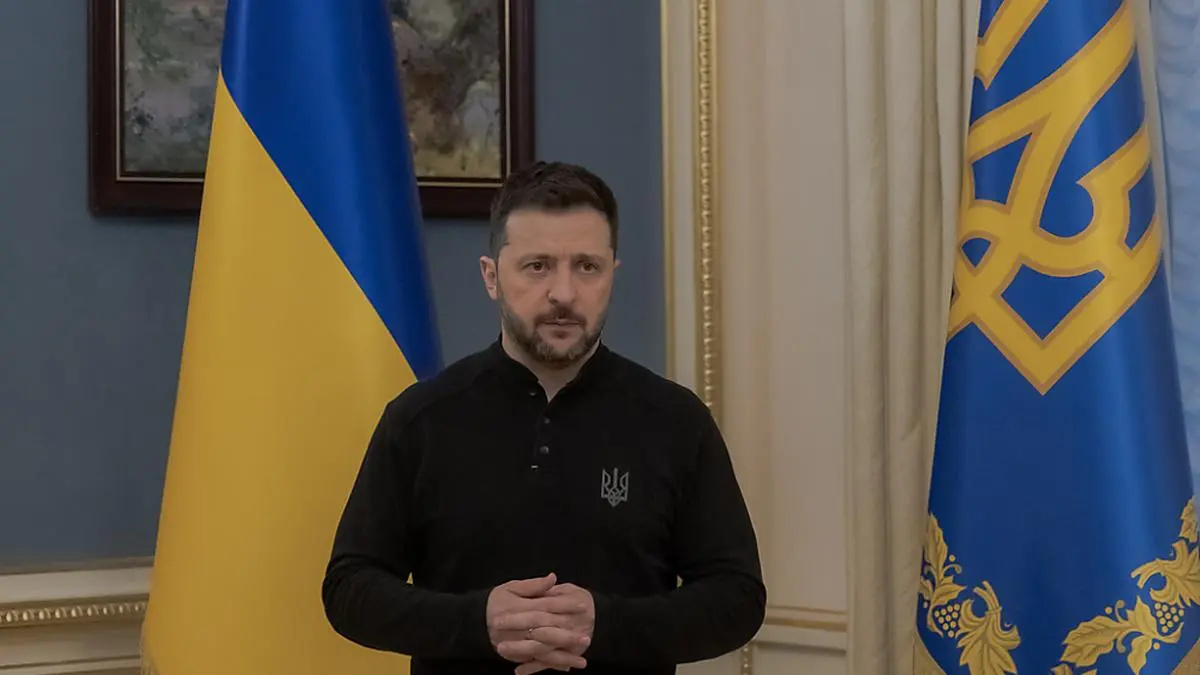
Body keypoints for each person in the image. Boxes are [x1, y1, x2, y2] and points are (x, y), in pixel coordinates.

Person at [322, 161, 766, 675]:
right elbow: (349, 588)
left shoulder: (676, 421)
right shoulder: (419, 419)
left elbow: (737, 597)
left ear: (612, 274)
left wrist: (607, 625)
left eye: (587, 267)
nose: (564, 293)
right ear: (491, 277)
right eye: (537, 266)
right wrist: (477, 621)